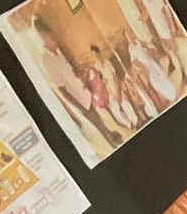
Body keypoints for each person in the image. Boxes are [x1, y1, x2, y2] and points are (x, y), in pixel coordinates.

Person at [32, 18, 121, 153]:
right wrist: (79, 107)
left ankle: (114, 141)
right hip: (79, 101)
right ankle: (115, 148)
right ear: (43, 38)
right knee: (99, 126)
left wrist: (82, 75)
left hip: (83, 93)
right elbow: (62, 90)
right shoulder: (48, 61)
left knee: (101, 122)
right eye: (52, 38)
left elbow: (71, 74)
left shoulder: (58, 53)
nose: (55, 40)